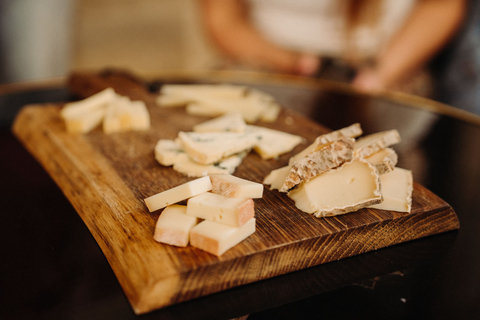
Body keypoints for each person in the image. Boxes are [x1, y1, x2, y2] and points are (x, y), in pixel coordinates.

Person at [198, 0, 466, 96]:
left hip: (386, 63)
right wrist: (293, 63)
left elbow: (442, 5)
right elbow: (223, 20)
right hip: (267, 59)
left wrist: (379, 75)